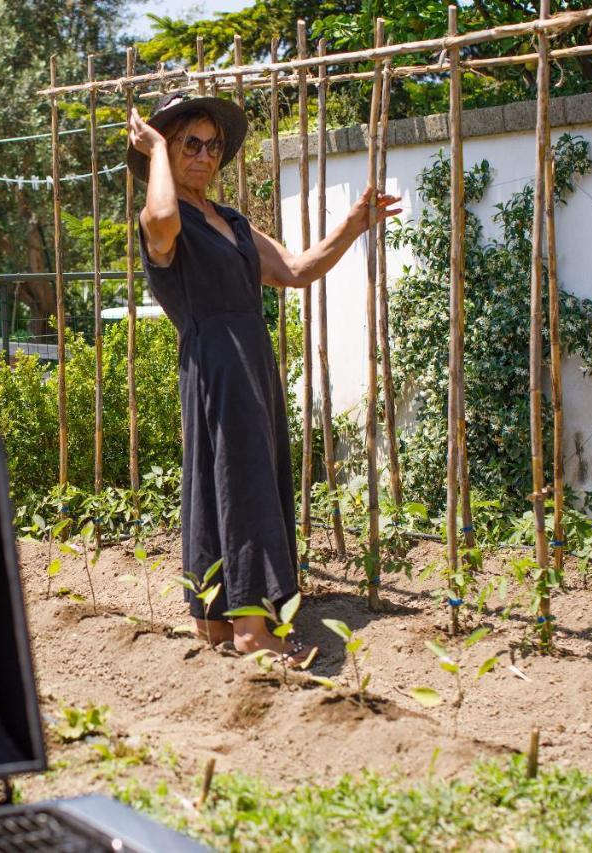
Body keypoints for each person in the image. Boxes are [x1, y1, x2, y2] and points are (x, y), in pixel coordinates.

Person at [127, 91, 400, 665]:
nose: (204, 155)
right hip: (215, 362)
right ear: (165, 150)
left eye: (213, 145)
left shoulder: (230, 221)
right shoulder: (162, 220)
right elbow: (162, 215)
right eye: (189, 144)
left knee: (229, 479)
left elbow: (297, 271)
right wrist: (153, 150)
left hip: (250, 357)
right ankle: (253, 628)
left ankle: (218, 618)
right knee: (241, 481)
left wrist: (354, 224)